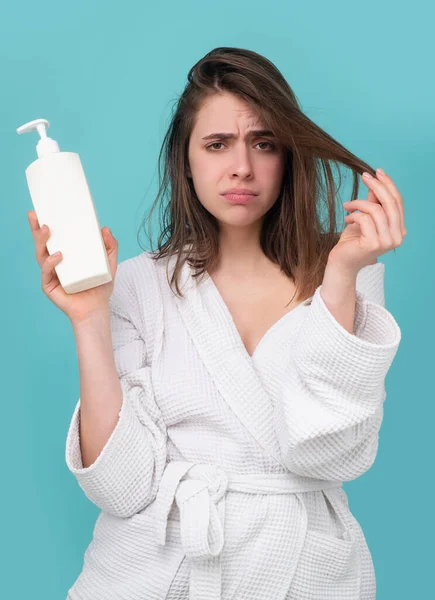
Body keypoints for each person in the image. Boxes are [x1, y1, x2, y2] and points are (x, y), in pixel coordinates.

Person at [29, 47, 405, 600]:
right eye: (217, 144)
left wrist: (344, 274)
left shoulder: (345, 273)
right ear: (186, 160)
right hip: (157, 573)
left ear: (287, 158)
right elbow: (121, 486)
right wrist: (89, 318)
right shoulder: (136, 284)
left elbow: (328, 455)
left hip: (301, 569)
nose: (242, 168)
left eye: (264, 143)